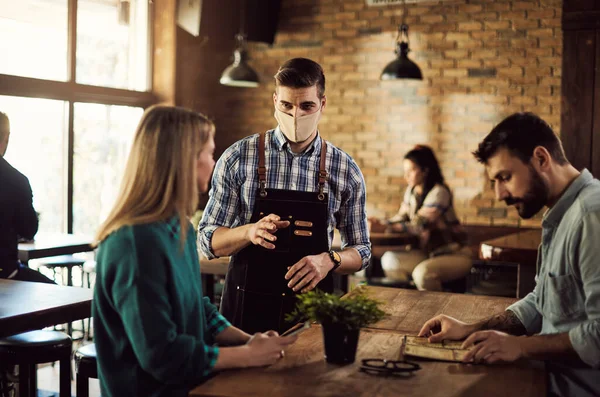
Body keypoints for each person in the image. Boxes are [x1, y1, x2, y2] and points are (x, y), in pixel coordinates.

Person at [92, 105, 297, 397]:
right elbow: (162, 355)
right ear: (185, 160)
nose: (214, 164)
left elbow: (196, 308)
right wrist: (247, 356)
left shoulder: (180, 227)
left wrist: (250, 342)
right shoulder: (133, 244)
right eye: (209, 154)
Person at [418, 112, 600, 397]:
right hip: (544, 374)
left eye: (505, 177)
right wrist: (470, 329)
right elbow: (542, 301)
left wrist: (521, 346)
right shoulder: (561, 214)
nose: (499, 194)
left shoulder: (592, 214)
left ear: (541, 158)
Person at [198, 58, 371, 334]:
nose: (295, 115)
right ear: (275, 100)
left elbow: (362, 249)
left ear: (322, 105)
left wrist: (330, 260)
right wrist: (248, 232)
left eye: (306, 106)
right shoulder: (238, 158)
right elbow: (207, 240)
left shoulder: (344, 170)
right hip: (245, 314)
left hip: (311, 312)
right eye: (286, 106)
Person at [369, 145, 471, 291]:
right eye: (405, 171)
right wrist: (379, 223)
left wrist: (385, 227)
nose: (406, 176)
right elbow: (401, 218)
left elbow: (419, 225)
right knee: (390, 259)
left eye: (411, 170)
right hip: (428, 254)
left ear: (425, 170)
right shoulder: (411, 192)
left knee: (422, 274)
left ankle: (433, 311)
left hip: (455, 254)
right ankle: (407, 303)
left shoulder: (440, 192)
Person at [0, 111, 53, 283]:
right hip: (5, 275)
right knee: (63, 297)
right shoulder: (16, 180)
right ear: (6, 138)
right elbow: (28, 230)